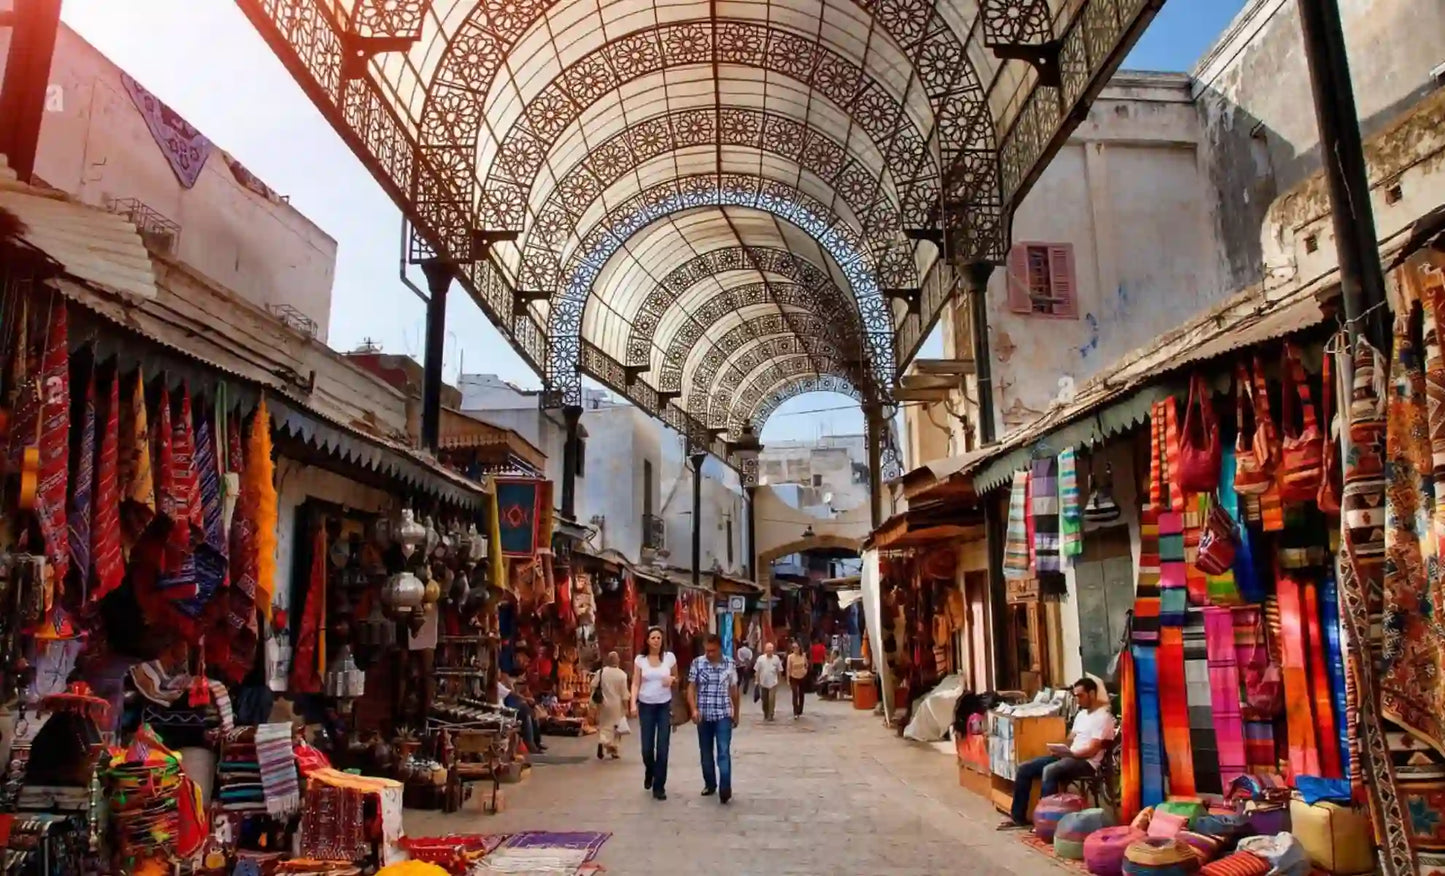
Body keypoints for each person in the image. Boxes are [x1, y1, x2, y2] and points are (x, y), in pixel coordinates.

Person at [998, 678, 1116, 830]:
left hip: (1086, 762)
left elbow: (1092, 749)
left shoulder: (1103, 717)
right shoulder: (1081, 715)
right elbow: (1071, 738)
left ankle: (1045, 821)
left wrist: (1072, 754)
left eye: (1080, 696)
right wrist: (1060, 748)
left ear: (1092, 694)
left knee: (1051, 770)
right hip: (1070, 756)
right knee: (1025, 768)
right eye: (1075, 696)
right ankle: (1018, 817)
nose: (1077, 700)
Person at [688, 634, 740, 804]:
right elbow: (691, 688)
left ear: (720, 649)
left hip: (723, 714)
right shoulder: (697, 663)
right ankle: (710, 784)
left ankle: (725, 788)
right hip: (703, 715)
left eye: (713, 651)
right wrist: (693, 709)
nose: (709, 654)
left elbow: (734, 690)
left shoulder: (730, 664)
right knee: (706, 752)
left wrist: (736, 713)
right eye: (707, 650)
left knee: (723, 751)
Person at [630, 626, 678, 800]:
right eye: (653, 638)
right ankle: (650, 770)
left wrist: (672, 680)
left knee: (663, 748)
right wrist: (632, 704)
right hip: (646, 706)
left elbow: (677, 679)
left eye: (659, 638)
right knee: (647, 749)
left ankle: (659, 786)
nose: (656, 641)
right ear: (647, 641)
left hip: (664, 706)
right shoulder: (640, 660)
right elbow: (635, 683)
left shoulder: (669, 658)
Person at [592, 651, 630, 760]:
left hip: (603, 703)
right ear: (618, 661)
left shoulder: (601, 672)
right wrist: (626, 707)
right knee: (616, 728)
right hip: (617, 705)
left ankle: (602, 740)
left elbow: (593, 685)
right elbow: (624, 694)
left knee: (604, 725)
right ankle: (613, 749)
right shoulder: (622, 675)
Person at [498, 672, 546, 754]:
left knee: (529, 712)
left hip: (507, 709)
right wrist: (526, 699)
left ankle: (536, 742)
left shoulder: (501, 684)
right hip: (503, 711)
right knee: (526, 712)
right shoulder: (497, 685)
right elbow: (513, 694)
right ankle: (530, 743)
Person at [753, 642, 784, 721]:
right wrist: (756, 681)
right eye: (768, 649)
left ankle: (771, 714)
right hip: (763, 683)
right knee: (764, 700)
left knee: (771, 699)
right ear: (765, 650)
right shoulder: (760, 659)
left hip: (773, 683)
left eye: (771, 649)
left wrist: (779, 681)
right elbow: (757, 671)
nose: (770, 651)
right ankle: (766, 712)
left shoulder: (776, 658)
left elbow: (779, 671)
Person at [786, 641, 810, 719]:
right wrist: (788, 679)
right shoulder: (790, 657)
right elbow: (788, 668)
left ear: (799, 648)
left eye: (796, 647)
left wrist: (805, 671)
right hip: (793, 676)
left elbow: (806, 665)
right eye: (793, 648)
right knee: (795, 693)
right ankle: (795, 711)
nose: (795, 649)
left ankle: (800, 709)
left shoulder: (803, 655)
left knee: (801, 693)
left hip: (802, 676)